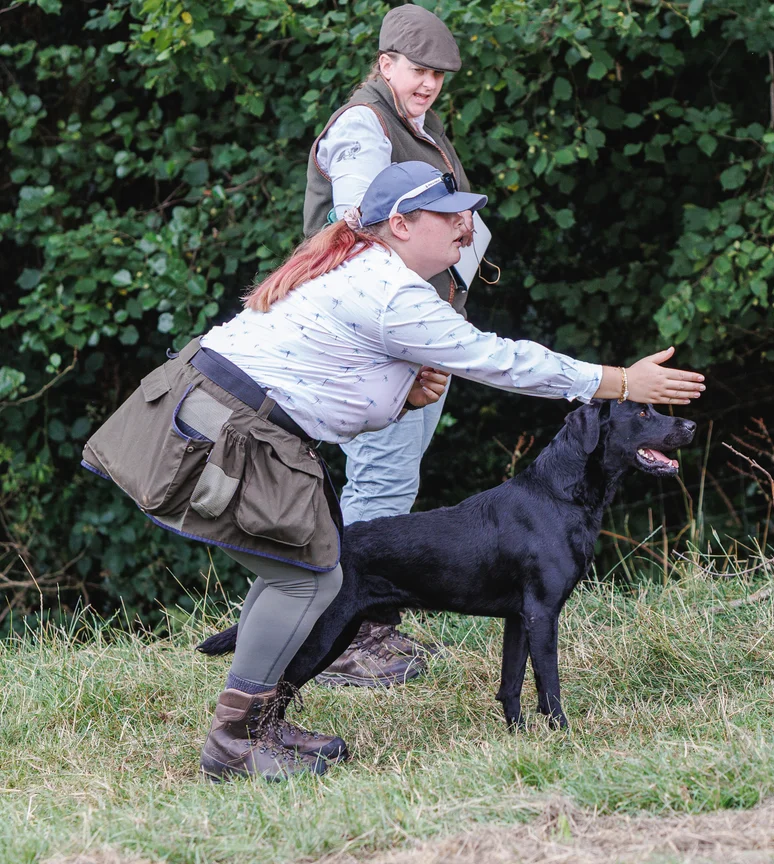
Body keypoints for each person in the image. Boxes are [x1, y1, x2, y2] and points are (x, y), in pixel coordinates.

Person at [82, 161, 706, 781]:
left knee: (311, 574)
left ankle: (255, 726)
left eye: (467, 212)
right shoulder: (392, 291)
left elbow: (325, 378)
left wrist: (402, 393)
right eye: (448, 214)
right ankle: (237, 740)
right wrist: (617, 380)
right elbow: (498, 360)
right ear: (401, 224)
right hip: (220, 434)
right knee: (307, 579)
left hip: (211, 419)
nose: (466, 224)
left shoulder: (358, 266)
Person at [303, 3, 481, 684]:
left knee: (392, 476)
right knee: (379, 477)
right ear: (385, 64)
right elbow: (362, 225)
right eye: (418, 69)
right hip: (380, 335)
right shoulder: (362, 126)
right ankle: (352, 641)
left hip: (416, 330)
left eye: (438, 73)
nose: (430, 82)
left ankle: (367, 626)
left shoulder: (418, 123)